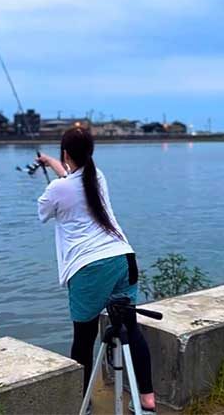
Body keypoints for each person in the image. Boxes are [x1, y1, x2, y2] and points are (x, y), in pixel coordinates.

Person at [37, 127, 156, 414]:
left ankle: (83, 403)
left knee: (84, 338)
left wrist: (54, 170)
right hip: (123, 258)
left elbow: (43, 212)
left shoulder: (56, 190)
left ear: (67, 153)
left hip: (90, 267)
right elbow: (73, 180)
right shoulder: (98, 177)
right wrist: (52, 162)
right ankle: (148, 399)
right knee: (130, 328)